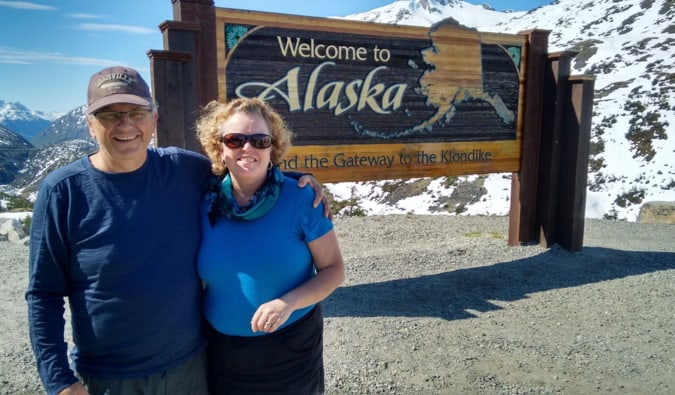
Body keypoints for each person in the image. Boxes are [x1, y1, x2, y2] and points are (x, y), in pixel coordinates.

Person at [26, 66, 326, 395]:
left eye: (137, 112)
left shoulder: (183, 171)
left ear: (153, 119)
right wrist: (59, 380)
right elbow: (44, 294)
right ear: (90, 124)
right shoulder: (63, 192)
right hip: (109, 377)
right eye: (110, 114)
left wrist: (297, 181)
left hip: (191, 368)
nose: (125, 124)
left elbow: (244, 168)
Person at [195, 98, 345, 394]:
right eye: (235, 139)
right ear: (219, 148)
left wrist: (287, 303)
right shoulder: (203, 201)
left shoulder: (302, 199)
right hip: (222, 354)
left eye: (260, 140)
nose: (247, 149)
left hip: (290, 349)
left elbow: (334, 270)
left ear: (272, 148)